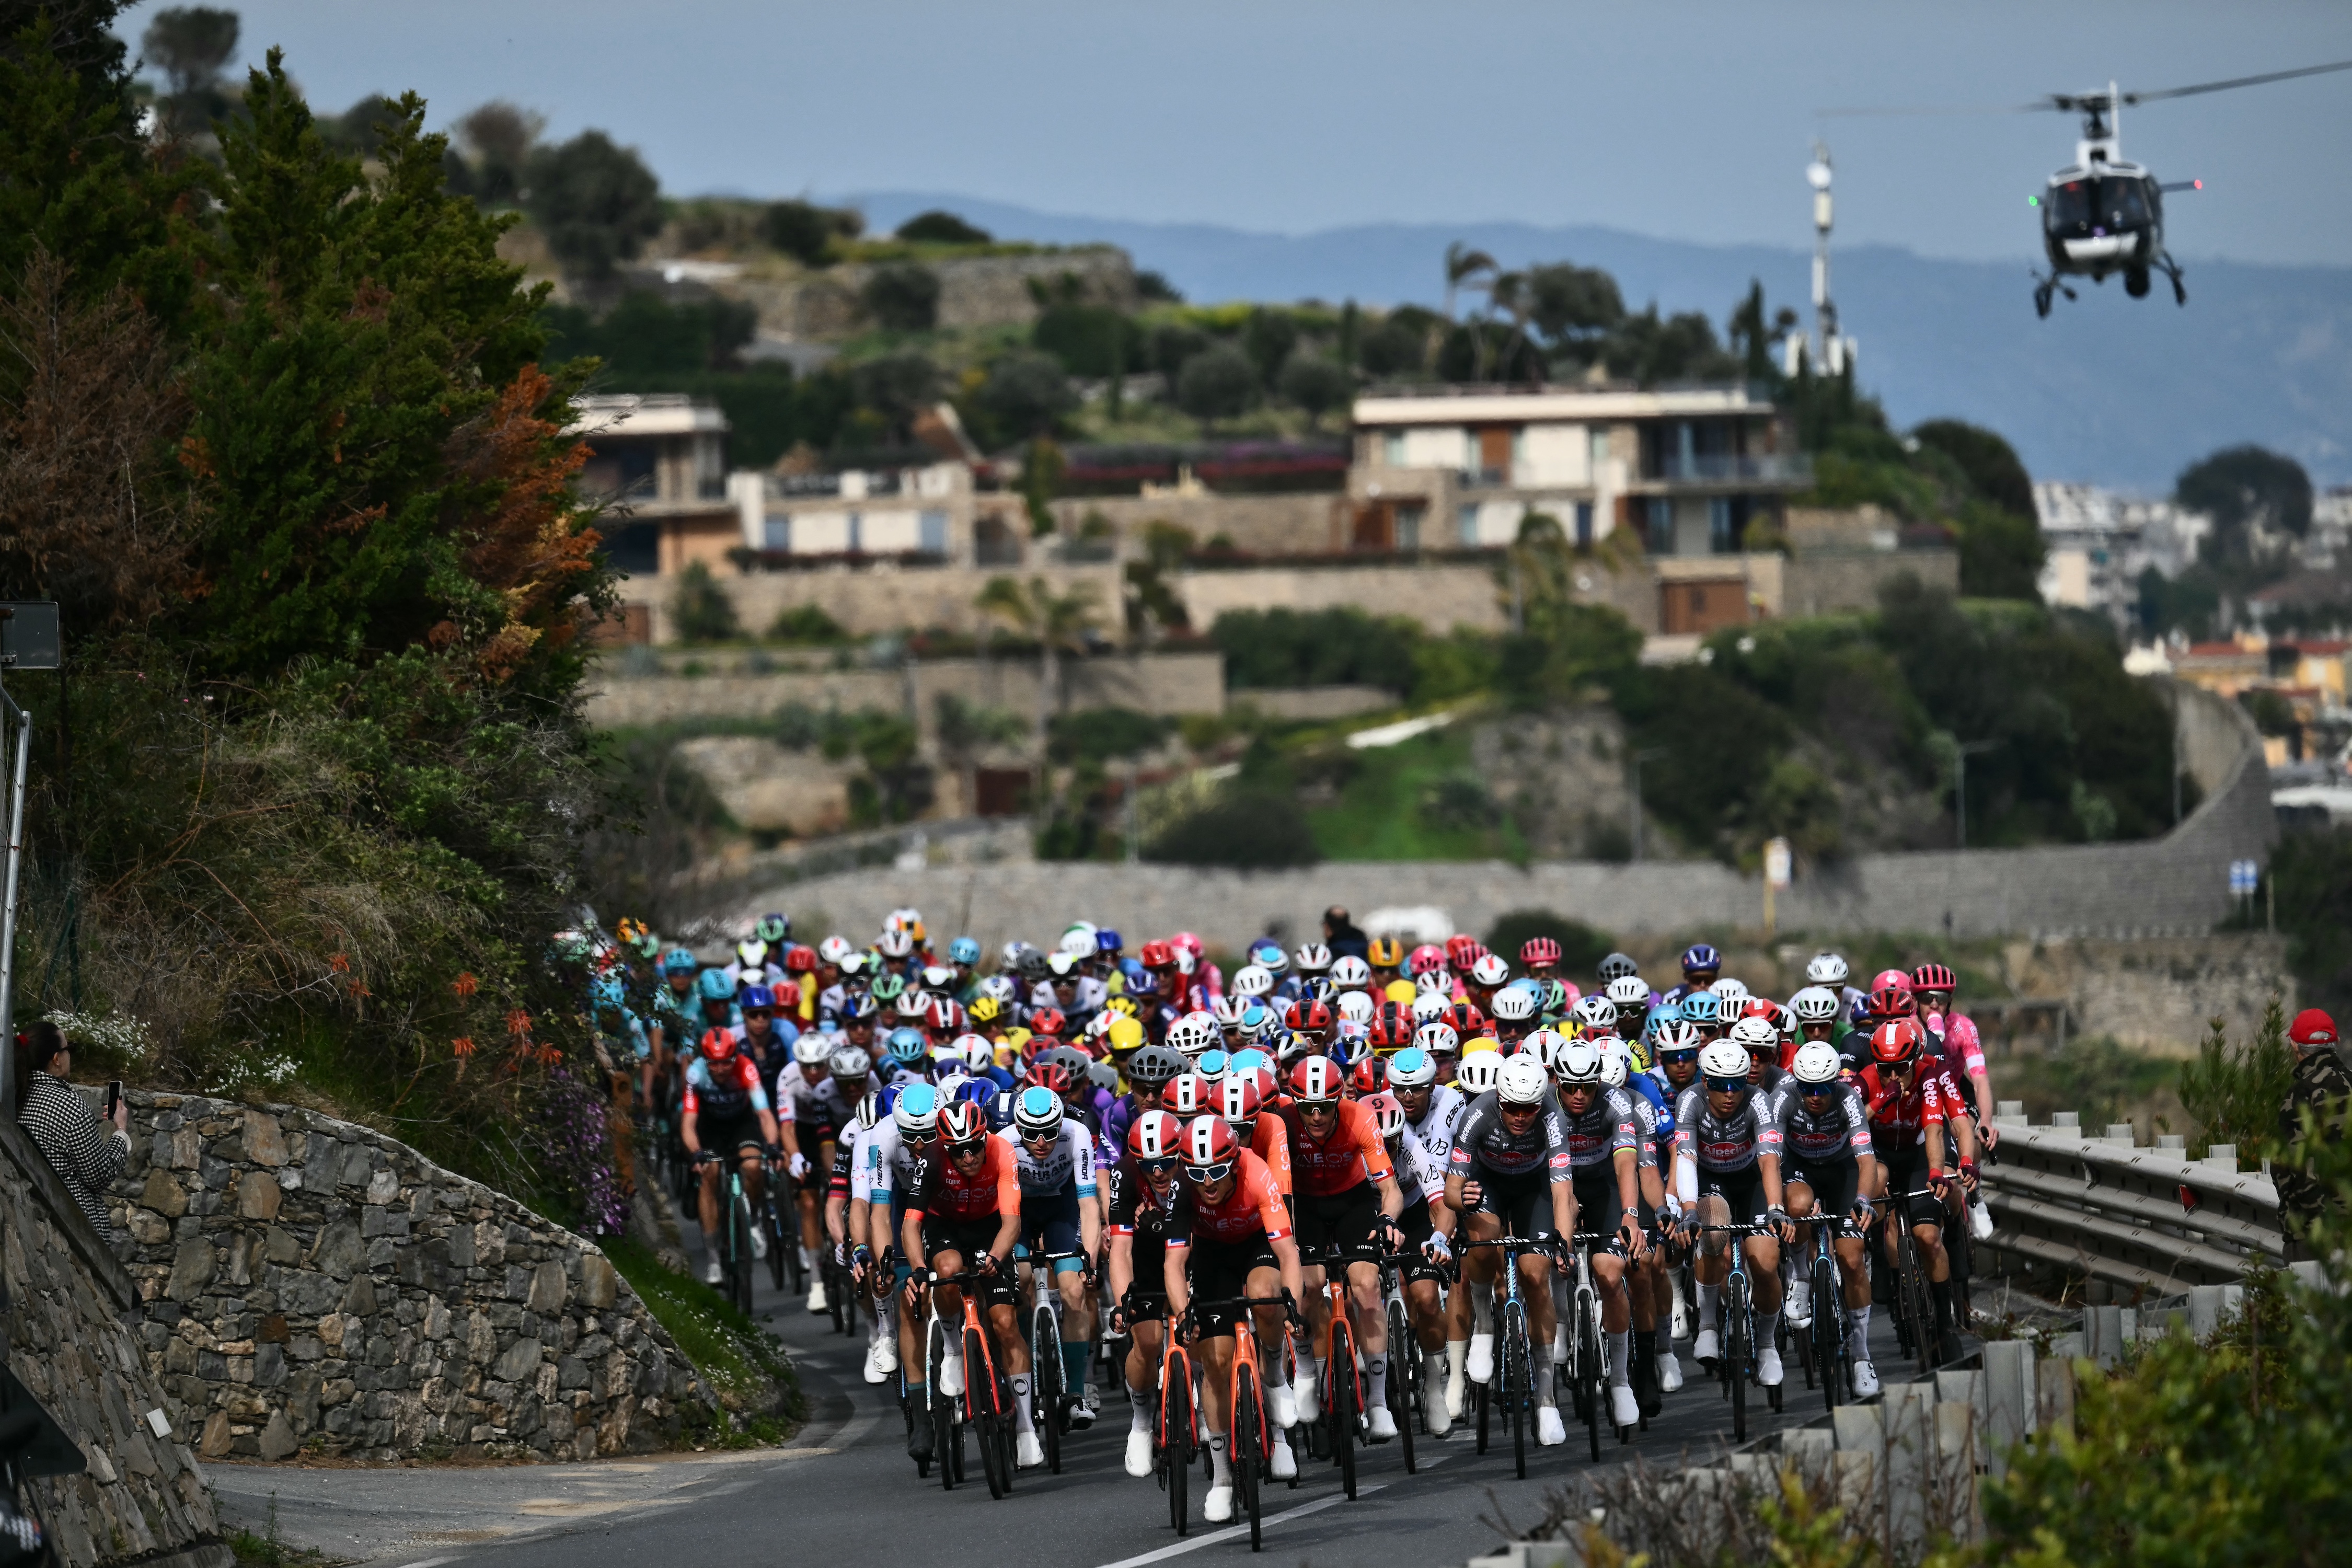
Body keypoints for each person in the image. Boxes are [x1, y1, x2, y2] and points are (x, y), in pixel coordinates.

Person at [15, 1021, 131, 1238]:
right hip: (76, 1231)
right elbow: (99, 1175)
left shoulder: (17, 1096)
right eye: (70, 1049)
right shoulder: (69, 1106)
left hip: (35, 1222)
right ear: (57, 1058)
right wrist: (121, 1131)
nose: (71, 1055)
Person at [2276, 1008, 2351, 1248]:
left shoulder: (2300, 1095)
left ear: (2294, 1047)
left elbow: (2293, 1169)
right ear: (2336, 1042)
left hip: (2315, 1238)